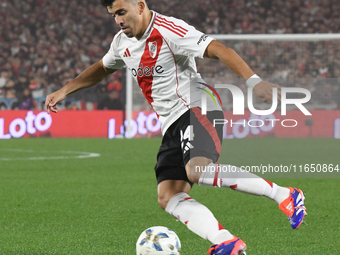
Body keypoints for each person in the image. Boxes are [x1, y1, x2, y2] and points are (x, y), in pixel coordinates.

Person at [45, 1, 307, 254]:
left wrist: (254, 82)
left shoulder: (169, 29)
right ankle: (224, 241)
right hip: (171, 123)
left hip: (198, 106)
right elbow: (102, 68)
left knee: (198, 171)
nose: (118, 20)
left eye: (122, 12)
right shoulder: (121, 43)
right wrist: (65, 90)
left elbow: (218, 49)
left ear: (140, 6)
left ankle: (284, 194)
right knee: (168, 195)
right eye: (113, 15)